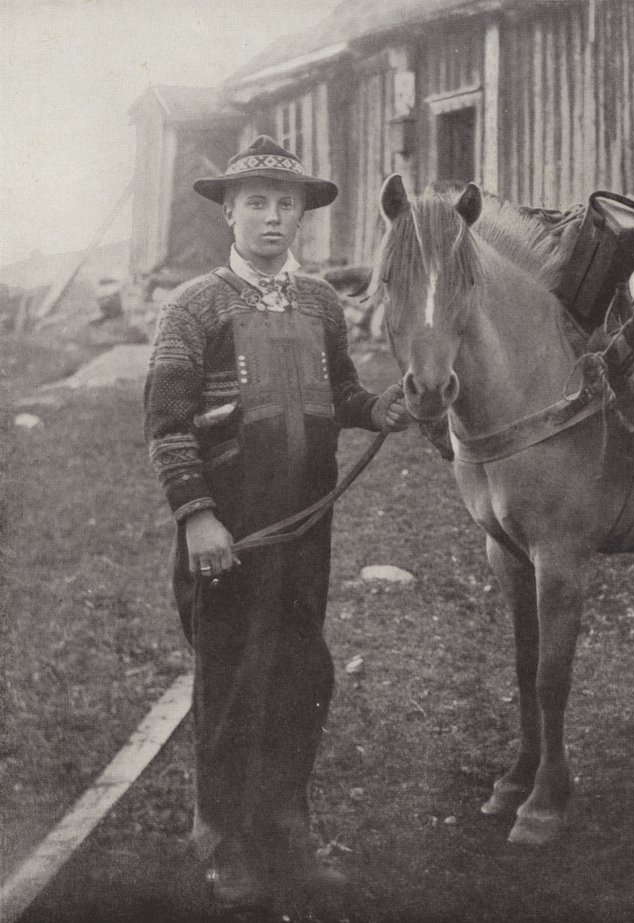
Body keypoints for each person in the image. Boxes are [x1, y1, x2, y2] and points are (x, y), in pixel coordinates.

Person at [143, 135, 409, 905]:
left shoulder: (322, 302)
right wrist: (197, 517)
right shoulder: (194, 306)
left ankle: (286, 821)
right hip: (230, 531)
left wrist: (379, 409)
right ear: (229, 212)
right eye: (255, 201)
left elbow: (347, 395)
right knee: (231, 676)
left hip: (304, 528)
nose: (271, 216)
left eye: (284, 203)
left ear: (302, 217)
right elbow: (167, 425)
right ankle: (224, 838)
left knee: (301, 670)